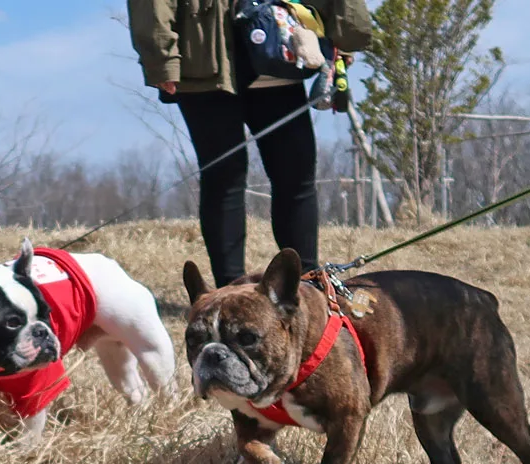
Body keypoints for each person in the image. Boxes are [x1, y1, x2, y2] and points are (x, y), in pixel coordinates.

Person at [126, 0, 371, 288]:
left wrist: (341, 37)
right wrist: (162, 60)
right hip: (204, 65)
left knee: (297, 174)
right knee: (224, 178)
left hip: (278, 59)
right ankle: (231, 289)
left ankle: (305, 284)